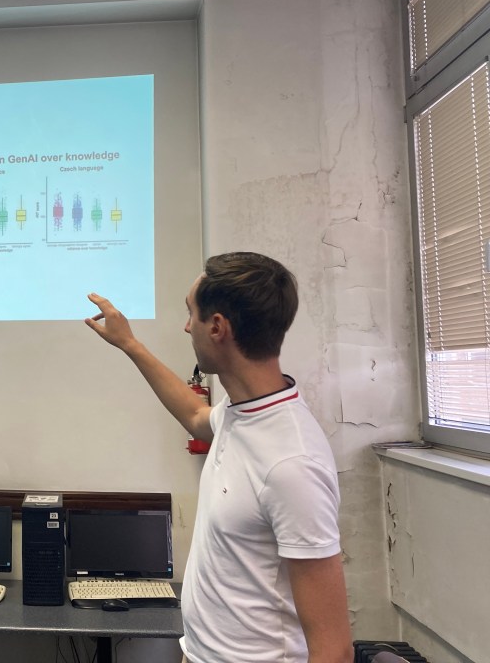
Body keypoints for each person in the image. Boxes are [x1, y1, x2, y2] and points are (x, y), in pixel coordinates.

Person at [85, 252, 352, 663]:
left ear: (217, 327)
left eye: (190, 313)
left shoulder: (292, 464)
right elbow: (196, 417)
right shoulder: (241, 410)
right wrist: (130, 345)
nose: (186, 327)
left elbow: (333, 650)